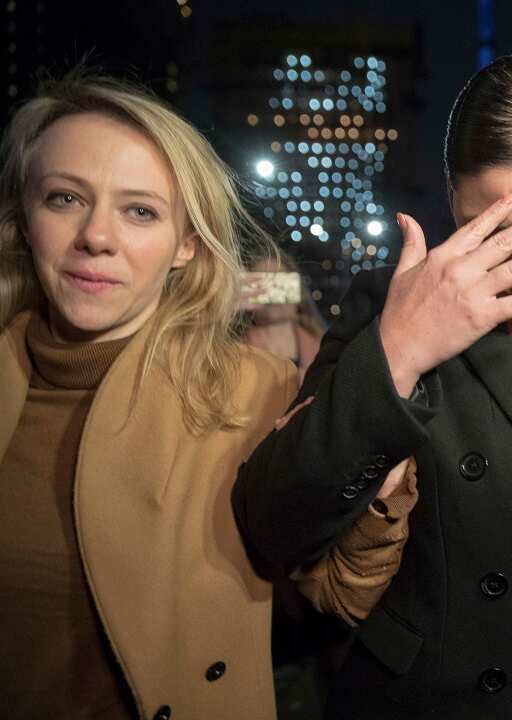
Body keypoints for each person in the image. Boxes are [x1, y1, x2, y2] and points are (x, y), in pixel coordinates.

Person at [232, 52, 512, 718]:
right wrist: (403, 350)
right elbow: (274, 521)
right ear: (451, 197)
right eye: (496, 232)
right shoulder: (391, 307)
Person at [0, 72, 406, 720]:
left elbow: (337, 597)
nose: (96, 237)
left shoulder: (255, 392)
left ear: (187, 244)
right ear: (24, 219)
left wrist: (377, 484)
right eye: (65, 198)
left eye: (140, 210)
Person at [240, 250, 327, 383]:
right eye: (262, 283)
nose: (272, 292)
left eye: (279, 283)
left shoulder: (326, 350)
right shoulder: (233, 352)